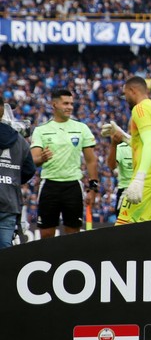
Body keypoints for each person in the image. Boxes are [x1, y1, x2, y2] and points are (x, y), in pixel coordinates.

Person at [29, 88, 98, 238]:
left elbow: (91, 160)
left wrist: (93, 188)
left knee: (73, 235)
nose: (70, 107)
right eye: (65, 103)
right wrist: (42, 158)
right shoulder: (41, 130)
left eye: (71, 104)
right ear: (54, 105)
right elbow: (34, 159)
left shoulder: (81, 128)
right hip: (49, 185)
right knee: (46, 235)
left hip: (73, 186)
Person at [104, 77, 151, 225]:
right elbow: (149, 142)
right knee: (147, 227)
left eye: (125, 94)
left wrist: (139, 179)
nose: (125, 98)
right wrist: (123, 136)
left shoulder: (139, 109)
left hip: (147, 178)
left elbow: (150, 143)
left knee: (122, 226)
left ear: (132, 90)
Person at [0, 95, 36, 249]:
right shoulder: (20, 140)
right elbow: (30, 169)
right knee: (5, 249)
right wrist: (12, 177)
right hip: (9, 200)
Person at [105, 133, 132, 225]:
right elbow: (111, 166)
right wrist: (113, 145)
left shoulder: (150, 146)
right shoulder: (121, 148)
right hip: (126, 190)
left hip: (148, 190)